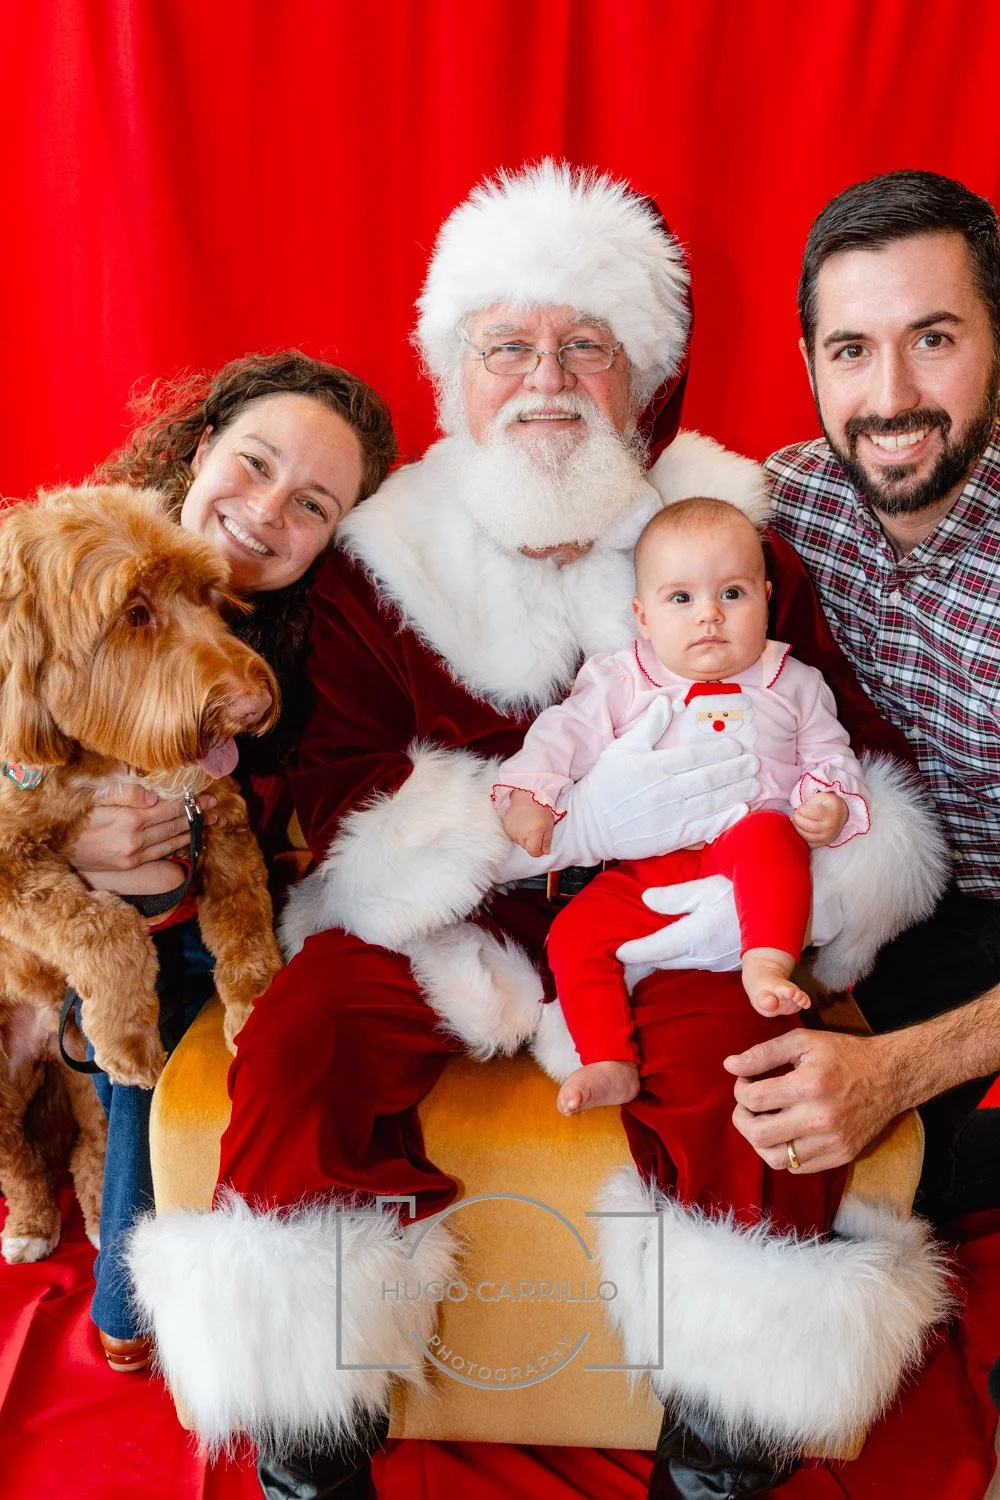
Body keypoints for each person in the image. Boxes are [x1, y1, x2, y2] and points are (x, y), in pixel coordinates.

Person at [127, 163, 949, 1500]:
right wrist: (493, 832)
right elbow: (329, 782)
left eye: (588, 345)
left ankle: (725, 1442)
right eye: (510, 345)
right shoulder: (383, 553)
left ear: (647, 379)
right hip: (444, 916)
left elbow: (844, 743)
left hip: (680, 913)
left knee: (752, 1074)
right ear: (459, 371)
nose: (548, 377)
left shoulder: (727, 525)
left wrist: (791, 855)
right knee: (304, 1034)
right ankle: (308, 1443)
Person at [66, 350, 396, 1370]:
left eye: (311, 504)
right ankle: (131, 1303)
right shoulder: (67, 561)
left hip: (208, 915)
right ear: (200, 445)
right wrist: (73, 843)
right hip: (48, 908)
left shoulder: (303, 644)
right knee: (133, 1019)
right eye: (252, 464)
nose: (264, 512)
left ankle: (259, 1284)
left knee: (277, 1010)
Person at [733, 170, 1000, 1221]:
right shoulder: (777, 505)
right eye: (851, 349)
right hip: (877, 892)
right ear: (808, 362)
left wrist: (895, 1069)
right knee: (784, 1156)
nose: (890, 396)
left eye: (933, 338)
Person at [496, 498, 871, 1116]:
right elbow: (565, 733)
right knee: (574, 935)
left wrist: (827, 801)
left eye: (732, 593)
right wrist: (532, 792)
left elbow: (829, 754)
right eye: (681, 600)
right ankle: (608, 1058)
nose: (709, 618)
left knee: (770, 837)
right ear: (641, 616)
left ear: (767, 598)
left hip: (747, 852)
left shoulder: (794, 682)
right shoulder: (623, 679)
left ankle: (766, 964)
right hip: (648, 864)